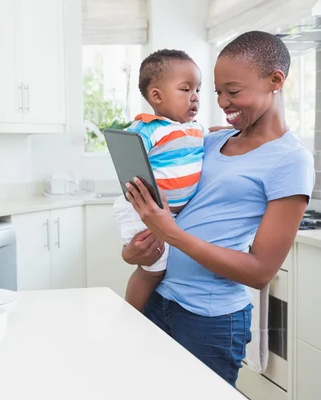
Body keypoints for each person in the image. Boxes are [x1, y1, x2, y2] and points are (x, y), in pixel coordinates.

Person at [122, 31, 315, 386]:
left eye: (234, 91)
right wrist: (138, 249)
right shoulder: (213, 139)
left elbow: (260, 272)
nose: (223, 102)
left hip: (208, 319)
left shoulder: (292, 160)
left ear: (276, 80)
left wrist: (172, 235)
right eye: (218, 92)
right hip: (159, 297)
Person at [112, 49, 206, 311]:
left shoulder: (196, 128)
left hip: (167, 214)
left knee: (161, 265)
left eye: (198, 89)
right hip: (141, 210)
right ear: (156, 96)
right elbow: (128, 155)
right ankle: (130, 316)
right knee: (153, 268)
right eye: (186, 89)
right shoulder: (149, 127)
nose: (195, 97)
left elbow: (211, 136)